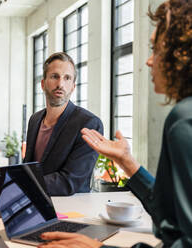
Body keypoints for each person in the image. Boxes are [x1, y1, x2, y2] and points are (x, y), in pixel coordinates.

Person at [39, 0, 192, 247]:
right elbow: (170, 215)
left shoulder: (184, 120)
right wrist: (128, 163)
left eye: (156, 49)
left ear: (181, 54)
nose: (149, 61)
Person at [24, 52, 103, 196]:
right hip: (36, 205)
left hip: (71, 211)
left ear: (73, 86)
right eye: (55, 76)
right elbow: (28, 166)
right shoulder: (34, 120)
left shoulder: (89, 124)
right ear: (43, 83)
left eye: (67, 78)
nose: (60, 84)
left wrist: (23, 183)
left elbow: (70, 181)